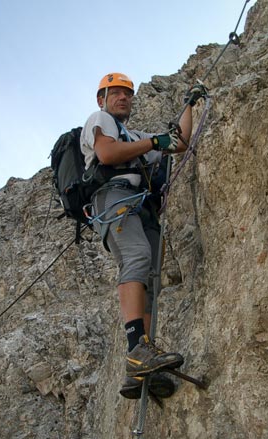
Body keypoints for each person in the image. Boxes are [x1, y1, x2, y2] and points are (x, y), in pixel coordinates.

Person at [80, 72, 204, 399]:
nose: (123, 98)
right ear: (101, 99)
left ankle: (139, 367)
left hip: (140, 208)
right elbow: (106, 154)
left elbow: (177, 144)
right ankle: (137, 349)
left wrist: (189, 105)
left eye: (127, 94)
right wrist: (153, 142)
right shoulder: (101, 120)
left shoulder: (133, 135)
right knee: (136, 258)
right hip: (114, 199)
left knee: (150, 277)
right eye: (116, 93)